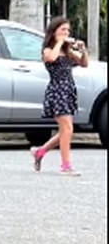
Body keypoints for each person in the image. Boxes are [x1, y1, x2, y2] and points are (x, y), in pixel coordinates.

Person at [33, 18, 89, 176]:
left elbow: (84, 63)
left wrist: (82, 49)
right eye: (63, 29)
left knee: (66, 131)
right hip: (57, 91)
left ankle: (40, 152)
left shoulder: (68, 51)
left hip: (68, 90)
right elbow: (51, 58)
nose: (66, 33)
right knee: (67, 129)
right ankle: (66, 166)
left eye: (68, 30)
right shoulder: (48, 49)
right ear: (55, 31)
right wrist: (59, 42)